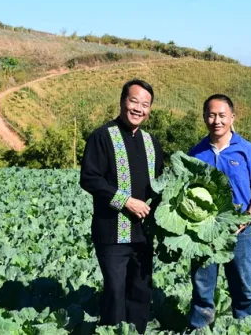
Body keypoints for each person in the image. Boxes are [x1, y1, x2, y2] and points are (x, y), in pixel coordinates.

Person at [79, 79, 164, 334]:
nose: (139, 108)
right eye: (134, 101)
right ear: (122, 101)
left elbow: (160, 185)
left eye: (145, 104)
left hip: (143, 235)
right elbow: (90, 178)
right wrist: (125, 200)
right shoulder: (102, 136)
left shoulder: (152, 142)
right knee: (115, 294)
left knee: (140, 293)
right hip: (112, 234)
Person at [187, 94, 251, 329]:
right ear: (204, 117)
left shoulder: (246, 150)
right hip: (203, 233)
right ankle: (199, 329)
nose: (217, 120)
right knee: (202, 287)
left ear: (232, 117)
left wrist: (248, 218)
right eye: (211, 115)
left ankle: (245, 328)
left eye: (222, 115)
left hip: (238, 231)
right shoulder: (195, 153)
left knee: (242, 287)